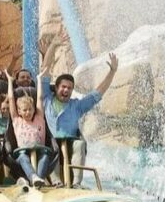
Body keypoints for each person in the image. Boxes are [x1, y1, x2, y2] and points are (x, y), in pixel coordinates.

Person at [40, 44, 120, 188]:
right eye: (63, 87)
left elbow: (97, 94)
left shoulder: (76, 106)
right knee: (50, 147)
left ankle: (76, 183)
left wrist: (112, 72)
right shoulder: (47, 99)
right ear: (57, 88)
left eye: (69, 88)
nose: (66, 90)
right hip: (52, 144)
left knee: (80, 144)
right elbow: (44, 72)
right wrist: (53, 46)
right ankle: (56, 181)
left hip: (70, 143)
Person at [6, 69, 51, 187]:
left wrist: (39, 80)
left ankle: (38, 180)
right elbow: (11, 99)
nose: (27, 113)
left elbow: (40, 98)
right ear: (19, 111)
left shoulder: (39, 118)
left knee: (45, 157)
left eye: (30, 109)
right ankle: (33, 177)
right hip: (23, 151)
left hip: (40, 149)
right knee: (22, 158)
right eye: (24, 110)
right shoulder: (17, 120)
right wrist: (10, 82)